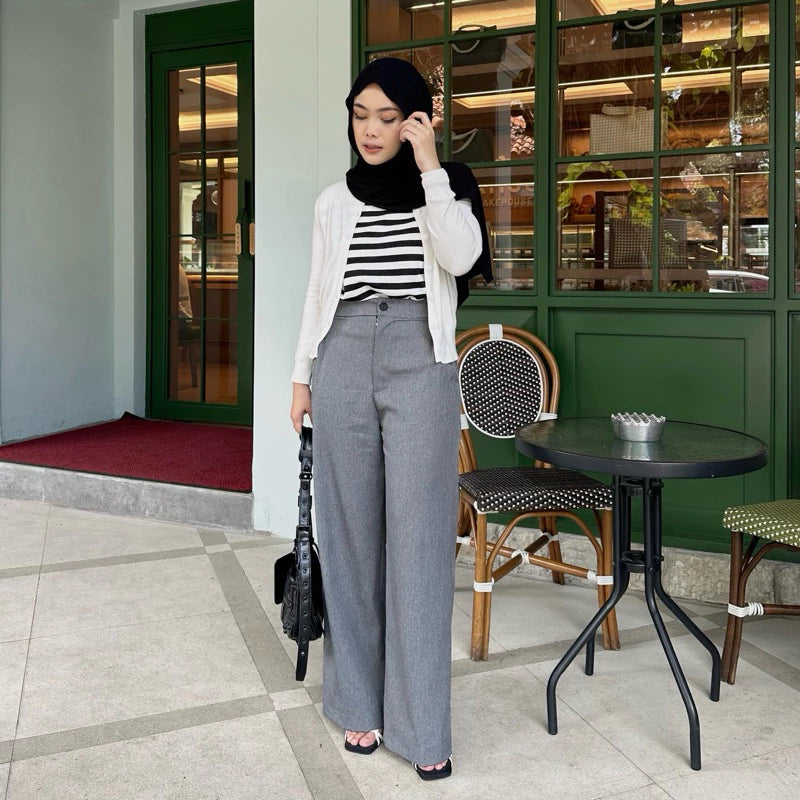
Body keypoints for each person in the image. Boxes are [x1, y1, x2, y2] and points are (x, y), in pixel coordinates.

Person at [289, 57, 491, 781]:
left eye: (387, 117)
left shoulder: (446, 188)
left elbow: (460, 254)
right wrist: (299, 378)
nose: (370, 132)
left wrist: (431, 162)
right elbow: (317, 292)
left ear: (414, 118)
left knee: (419, 539)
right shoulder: (332, 200)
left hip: (420, 357)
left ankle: (422, 725)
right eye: (360, 116)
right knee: (349, 536)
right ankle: (359, 707)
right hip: (340, 353)